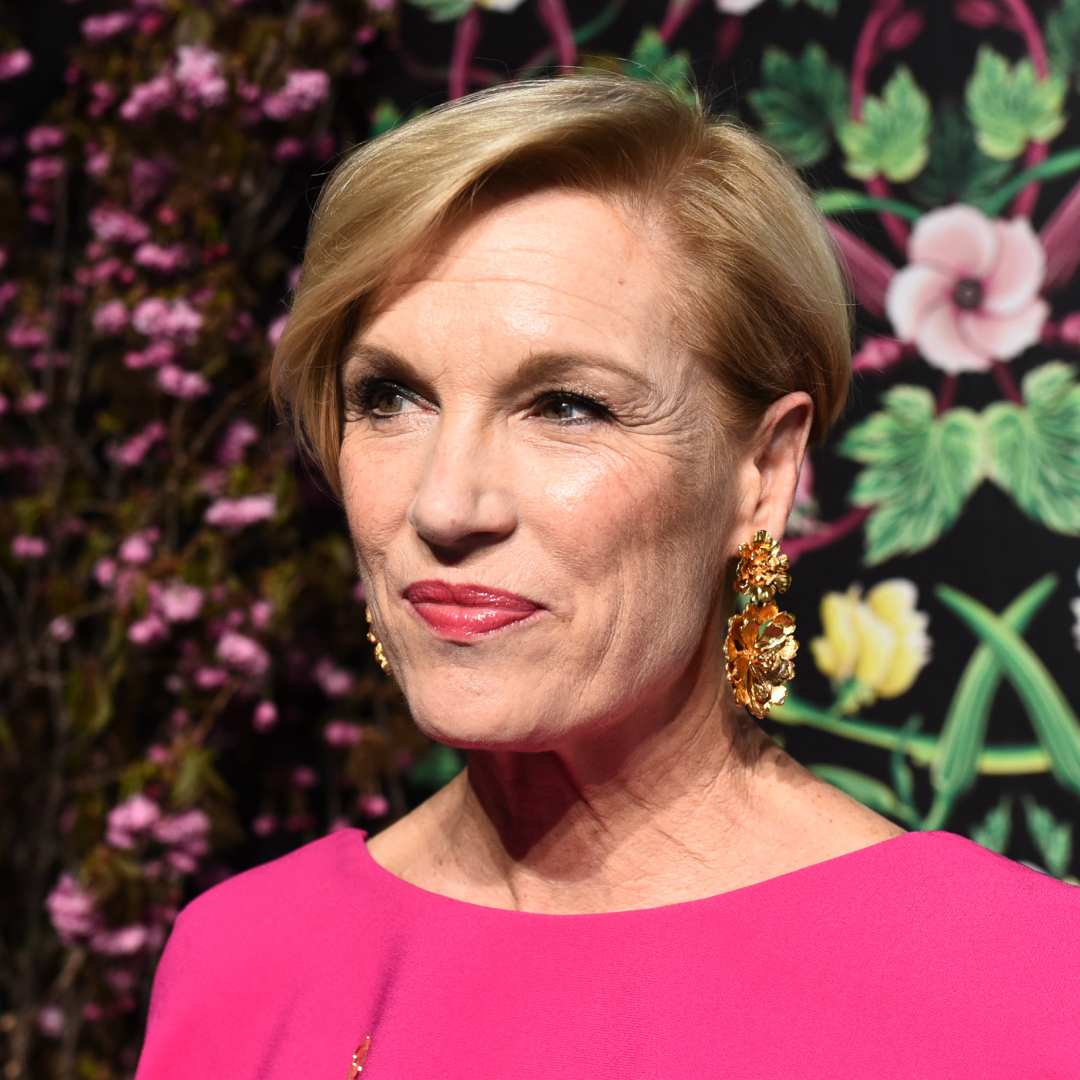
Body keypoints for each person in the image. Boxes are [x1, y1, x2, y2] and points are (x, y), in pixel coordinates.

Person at [135, 74, 1080, 1079]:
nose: (445, 505)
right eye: (392, 397)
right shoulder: (243, 961)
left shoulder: (1022, 983)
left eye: (567, 407)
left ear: (762, 473)